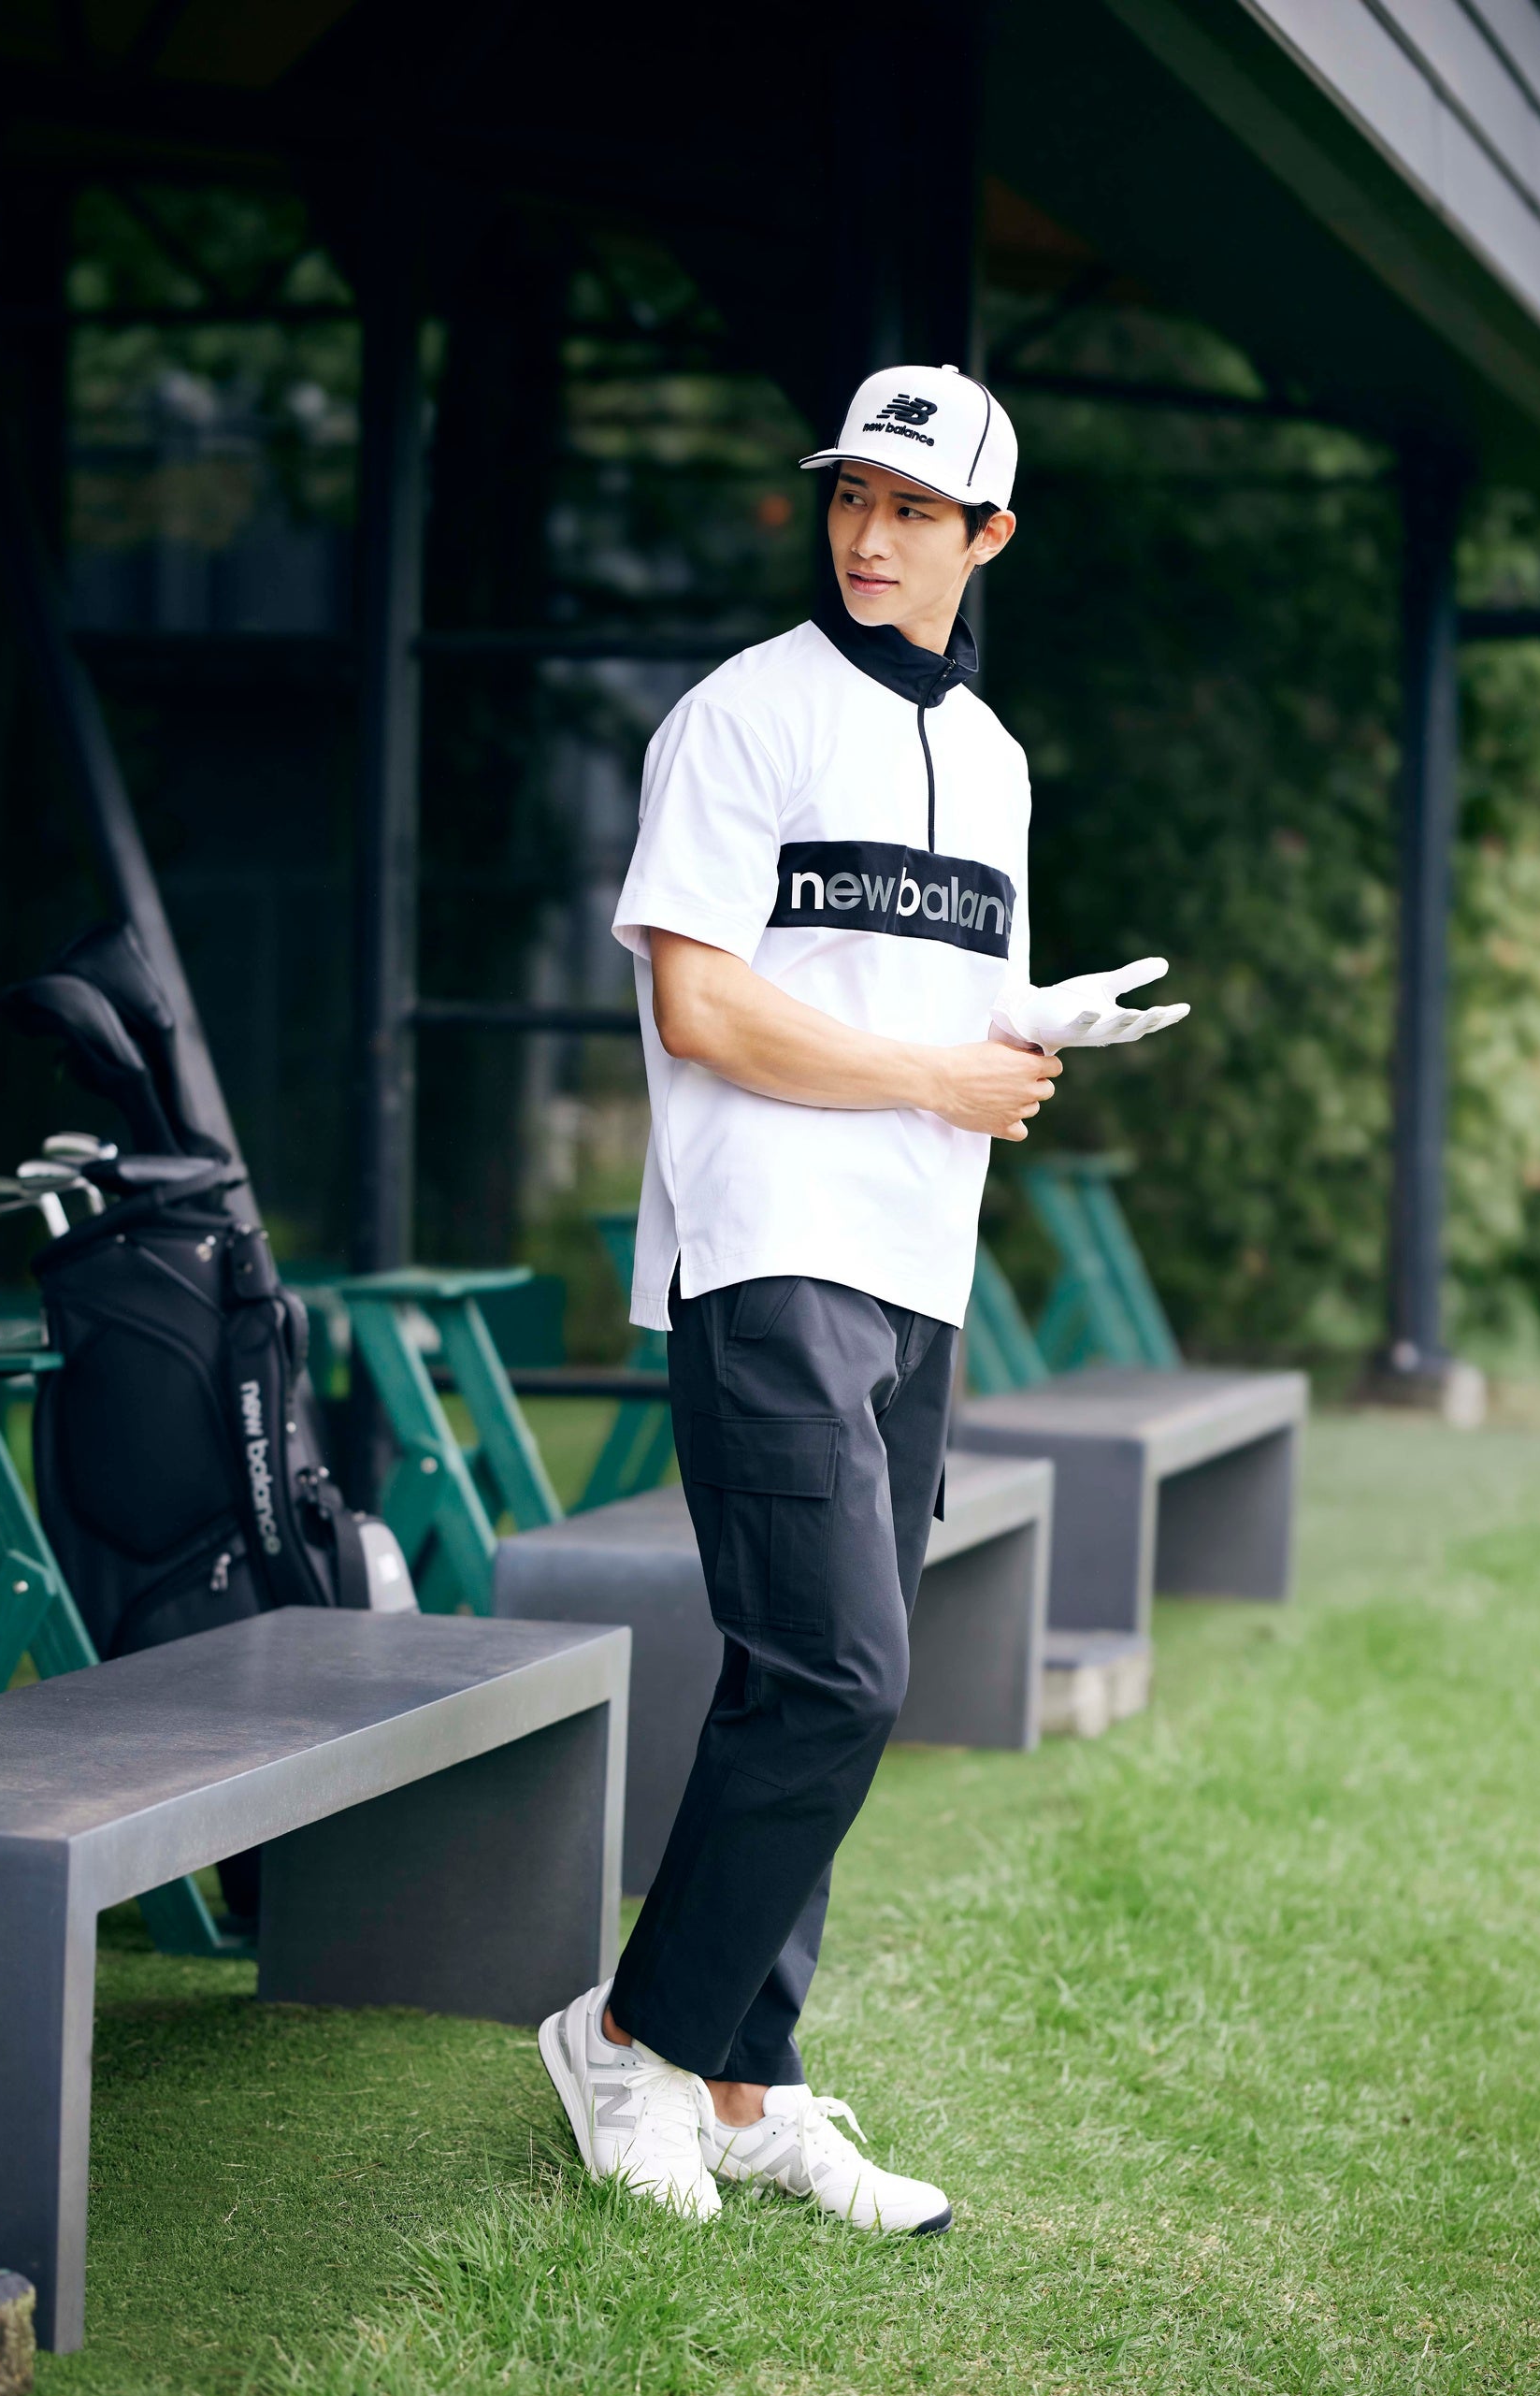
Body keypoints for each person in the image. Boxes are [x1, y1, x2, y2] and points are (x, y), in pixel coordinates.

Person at [540, 361, 1054, 2235]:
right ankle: (627, 2039)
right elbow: (701, 1006)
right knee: (845, 1674)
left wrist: (1034, 1043)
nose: (868, 535)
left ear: (985, 536)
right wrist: (930, 1078)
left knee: (797, 1683)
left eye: (912, 510)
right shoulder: (737, 716)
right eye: (851, 496)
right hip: (766, 1247)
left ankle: (750, 2088)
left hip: (919, 1265)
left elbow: (959, 1014)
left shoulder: (993, 760)